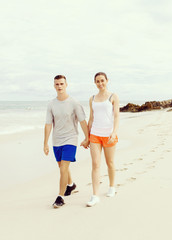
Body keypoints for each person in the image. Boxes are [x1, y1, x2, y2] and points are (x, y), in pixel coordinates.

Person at [44, 74, 89, 208]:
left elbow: (82, 121)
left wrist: (87, 138)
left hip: (71, 139)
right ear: (54, 86)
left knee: (63, 168)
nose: (59, 86)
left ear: (66, 85)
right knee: (62, 167)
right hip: (56, 140)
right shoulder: (51, 104)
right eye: (57, 84)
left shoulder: (74, 102)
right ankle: (71, 185)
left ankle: (60, 197)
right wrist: (45, 143)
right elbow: (48, 124)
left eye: (62, 84)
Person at [86, 72, 120, 207]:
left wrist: (114, 132)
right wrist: (87, 136)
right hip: (95, 134)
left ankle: (112, 186)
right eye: (97, 81)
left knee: (110, 162)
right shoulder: (92, 98)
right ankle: (95, 195)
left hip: (108, 134)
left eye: (102, 81)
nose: (100, 83)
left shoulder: (113, 96)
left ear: (107, 81)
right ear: (95, 83)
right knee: (95, 164)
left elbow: (116, 116)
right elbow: (91, 118)